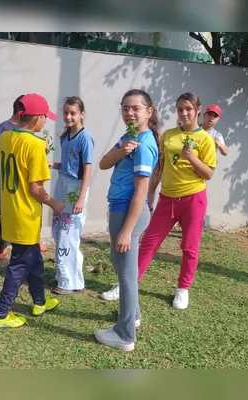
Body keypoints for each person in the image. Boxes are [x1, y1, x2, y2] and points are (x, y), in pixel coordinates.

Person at [100, 92, 217, 311]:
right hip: (168, 198)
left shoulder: (206, 139)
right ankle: (128, 284)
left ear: (198, 110)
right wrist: (150, 194)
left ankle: (183, 288)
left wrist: (192, 158)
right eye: (180, 109)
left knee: (189, 247)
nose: (184, 113)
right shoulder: (168, 136)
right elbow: (158, 168)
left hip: (193, 198)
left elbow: (208, 174)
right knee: (149, 242)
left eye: (188, 109)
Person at [0, 93, 65, 330]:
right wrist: (55, 204)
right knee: (19, 264)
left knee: (33, 257)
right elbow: (36, 188)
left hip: (11, 210)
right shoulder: (35, 145)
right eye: (45, 117)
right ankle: (1, 314)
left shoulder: (4, 137)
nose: (46, 122)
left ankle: (39, 302)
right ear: (37, 119)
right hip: (26, 214)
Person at [94, 89, 159, 351]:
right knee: (123, 268)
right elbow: (102, 163)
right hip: (120, 210)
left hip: (128, 213)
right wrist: (121, 150)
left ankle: (124, 335)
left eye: (135, 108)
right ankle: (135, 316)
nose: (129, 113)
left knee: (126, 274)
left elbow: (141, 192)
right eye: (125, 108)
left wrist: (126, 231)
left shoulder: (144, 145)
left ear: (149, 112)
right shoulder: (129, 138)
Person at [50, 96, 95, 295]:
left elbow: (87, 169)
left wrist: (80, 198)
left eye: (73, 113)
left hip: (75, 188)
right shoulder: (64, 136)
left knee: (69, 234)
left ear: (81, 114)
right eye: (66, 112)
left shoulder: (85, 138)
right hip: (62, 184)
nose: (68, 116)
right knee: (58, 231)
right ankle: (68, 275)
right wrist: (53, 165)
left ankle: (67, 282)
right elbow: (69, 164)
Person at [0, 94, 24, 260]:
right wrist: (12, 165)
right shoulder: (4, 128)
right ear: (20, 112)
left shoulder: (27, 131)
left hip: (24, 182)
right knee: (4, 212)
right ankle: (3, 245)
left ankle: (27, 242)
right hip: (5, 181)